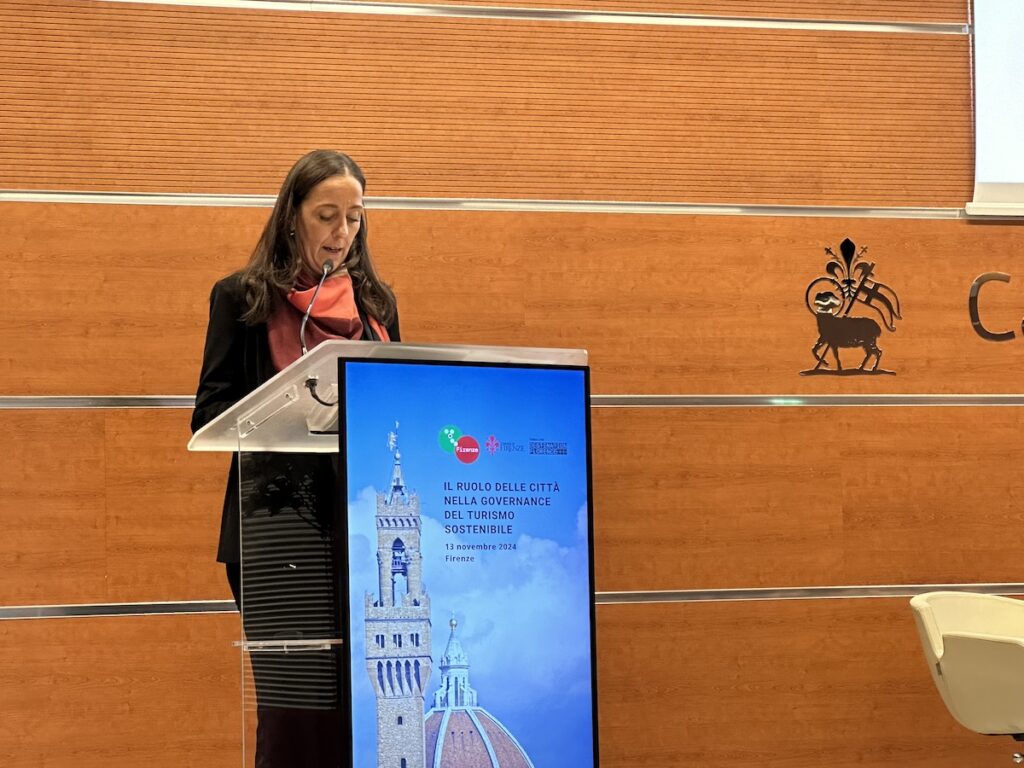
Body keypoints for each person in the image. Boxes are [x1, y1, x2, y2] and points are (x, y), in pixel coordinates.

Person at [191, 149, 401, 767]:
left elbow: (395, 402)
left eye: (354, 218)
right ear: (292, 217)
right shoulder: (243, 298)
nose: (342, 232)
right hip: (278, 530)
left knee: (367, 705)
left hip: (362, 528)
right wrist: (288, 407)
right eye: (327, 216)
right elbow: (210, 411)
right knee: (297, 711)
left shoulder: (377, 304)